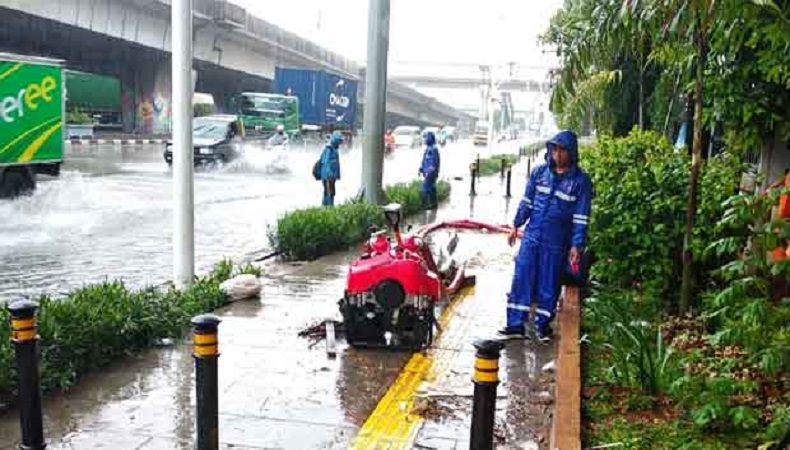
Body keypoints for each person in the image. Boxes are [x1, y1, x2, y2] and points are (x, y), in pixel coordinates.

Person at [500, 130, 592, 342]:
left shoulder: (581, 181)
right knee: (522, 275)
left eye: (562, 150)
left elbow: (581, 216)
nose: (557, 155)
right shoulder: (539, 173)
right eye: (554, 149)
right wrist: (516, 225)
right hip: (532, 235)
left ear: (571, 153)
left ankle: (542, 326)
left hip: (557, 240)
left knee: (548, 282)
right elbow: (527, 202)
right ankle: (515, 324)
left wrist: (576, 246)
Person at [319, 131, 343, 206]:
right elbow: (325, 163)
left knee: (331, 193)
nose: (340, 143)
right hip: (328, 177)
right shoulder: (329, 149)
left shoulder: (334, 149)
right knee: (329, 193)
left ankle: (328, 208)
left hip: (332, 177)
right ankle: (328, 208)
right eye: (339, 141)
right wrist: (329, 175)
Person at [419, 131, 441, 209]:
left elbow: (435, 162)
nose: (425, 139)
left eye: (426, 138)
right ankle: (434, 204)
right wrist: (421, 168)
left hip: (431, 173)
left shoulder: (434, 149)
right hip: (427, 172)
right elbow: (424, 160)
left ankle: (425, 205)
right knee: (432, 188)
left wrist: (431, 172)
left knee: (425, 189)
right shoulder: (428, 149)